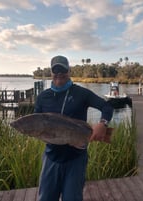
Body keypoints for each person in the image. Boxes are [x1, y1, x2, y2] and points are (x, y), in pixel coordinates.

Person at [34, 55, 114, 201]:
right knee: (45, 198)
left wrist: (103, 123)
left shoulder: (81, 93)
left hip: (76, 158)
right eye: (55, 70)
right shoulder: (42, 97)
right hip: (51, 157)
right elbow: (36, 122)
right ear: (51, 72)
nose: (59, 73)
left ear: (69, 71)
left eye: (62, 69)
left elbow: (106, 106)